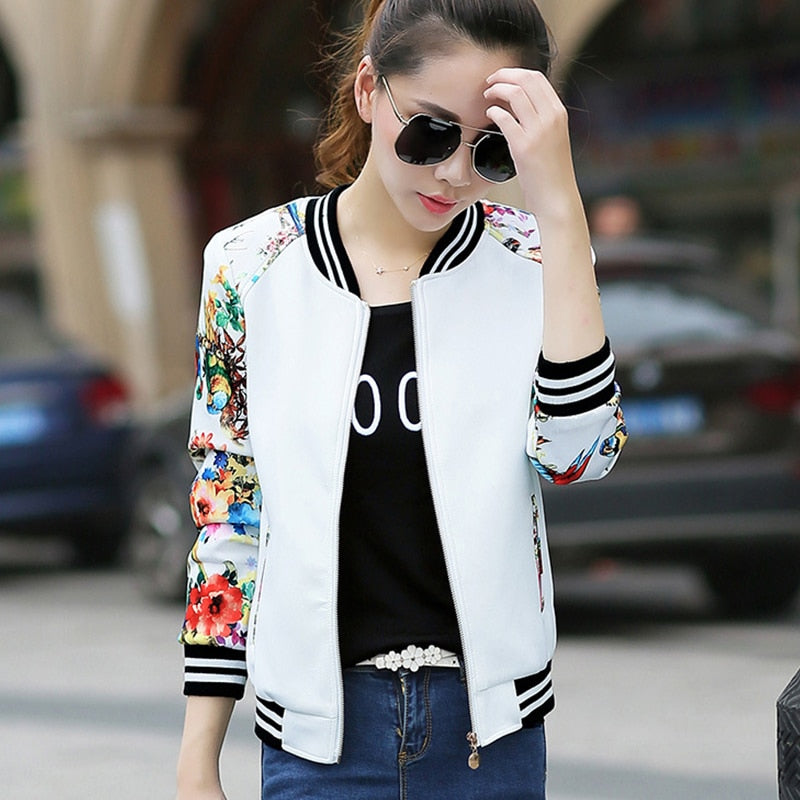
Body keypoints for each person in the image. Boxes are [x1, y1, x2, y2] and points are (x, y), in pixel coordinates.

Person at [175, 1, 628, 798]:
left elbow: (577, 458)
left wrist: (559, 207)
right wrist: (196, 758)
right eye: (431, 131)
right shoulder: (250, 266)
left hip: (489, 737)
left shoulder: (533, 256)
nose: (454, 172)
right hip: (317, 743)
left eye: (492, 147)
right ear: (367, 91)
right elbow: (231, 515)